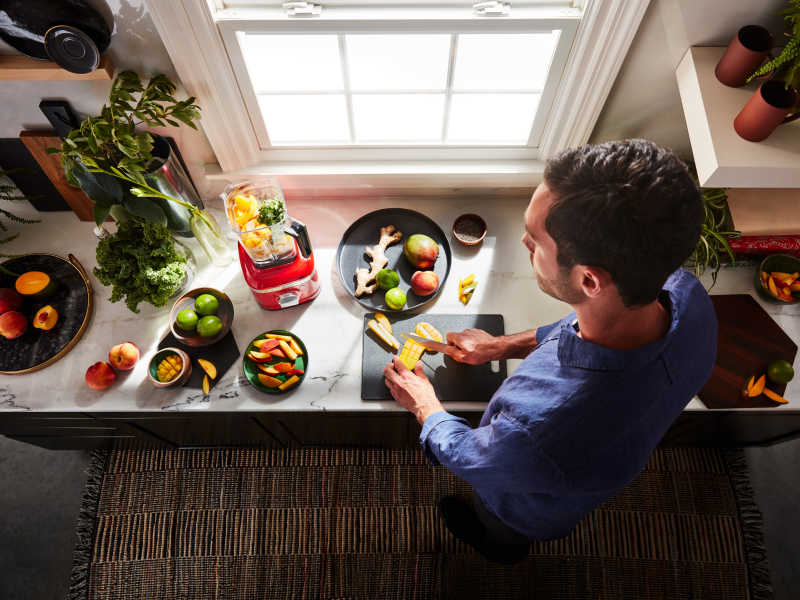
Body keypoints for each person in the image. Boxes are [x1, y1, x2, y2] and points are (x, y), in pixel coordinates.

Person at [382, 139, 718, 565]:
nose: (523, 241)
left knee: (501, 528)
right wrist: (500, 346)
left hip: (524, 508)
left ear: (589, 281)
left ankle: (499, 549)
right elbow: (577, 327)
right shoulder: (686, 293)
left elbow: (471, 457)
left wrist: (425, 404)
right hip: (600, 459)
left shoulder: (541, 429)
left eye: (536, 240)